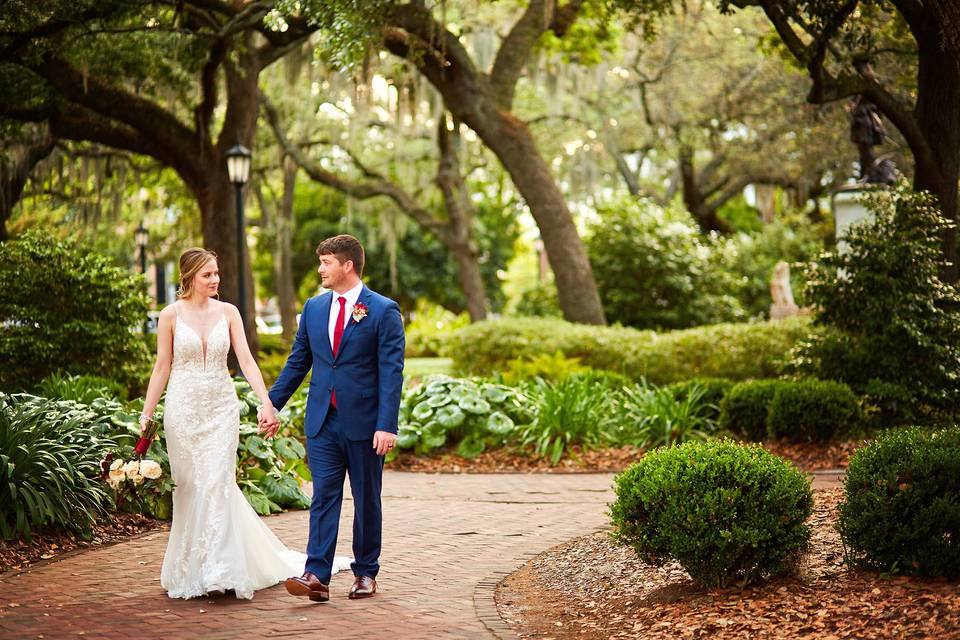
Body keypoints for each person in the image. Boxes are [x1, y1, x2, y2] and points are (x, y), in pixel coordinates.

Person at [139, 248, 349, 600]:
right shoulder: (170, 315)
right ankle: (193, 567)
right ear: (189, 276)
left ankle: (220, 571)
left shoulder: (229, 313)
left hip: (222, 408)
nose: (215, 280)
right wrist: (146, 415)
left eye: (217, 273)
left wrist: (267, 402)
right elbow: (162, 367)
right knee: (191, 486)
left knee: (217, 482)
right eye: (208, 274)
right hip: (183, 409)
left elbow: (248, 362)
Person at [260, 234, 404, 603]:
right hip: (323, 421)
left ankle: (366, 573)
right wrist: (271, 403)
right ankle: (316, 575)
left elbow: (392, 372)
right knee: (323, 496)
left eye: (326, 262)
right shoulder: (313, 308)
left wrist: (387, 424)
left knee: (366, 498)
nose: (320, 269)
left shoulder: (383, 310)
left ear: (347, 265)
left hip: (366, 423)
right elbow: (298, 361)